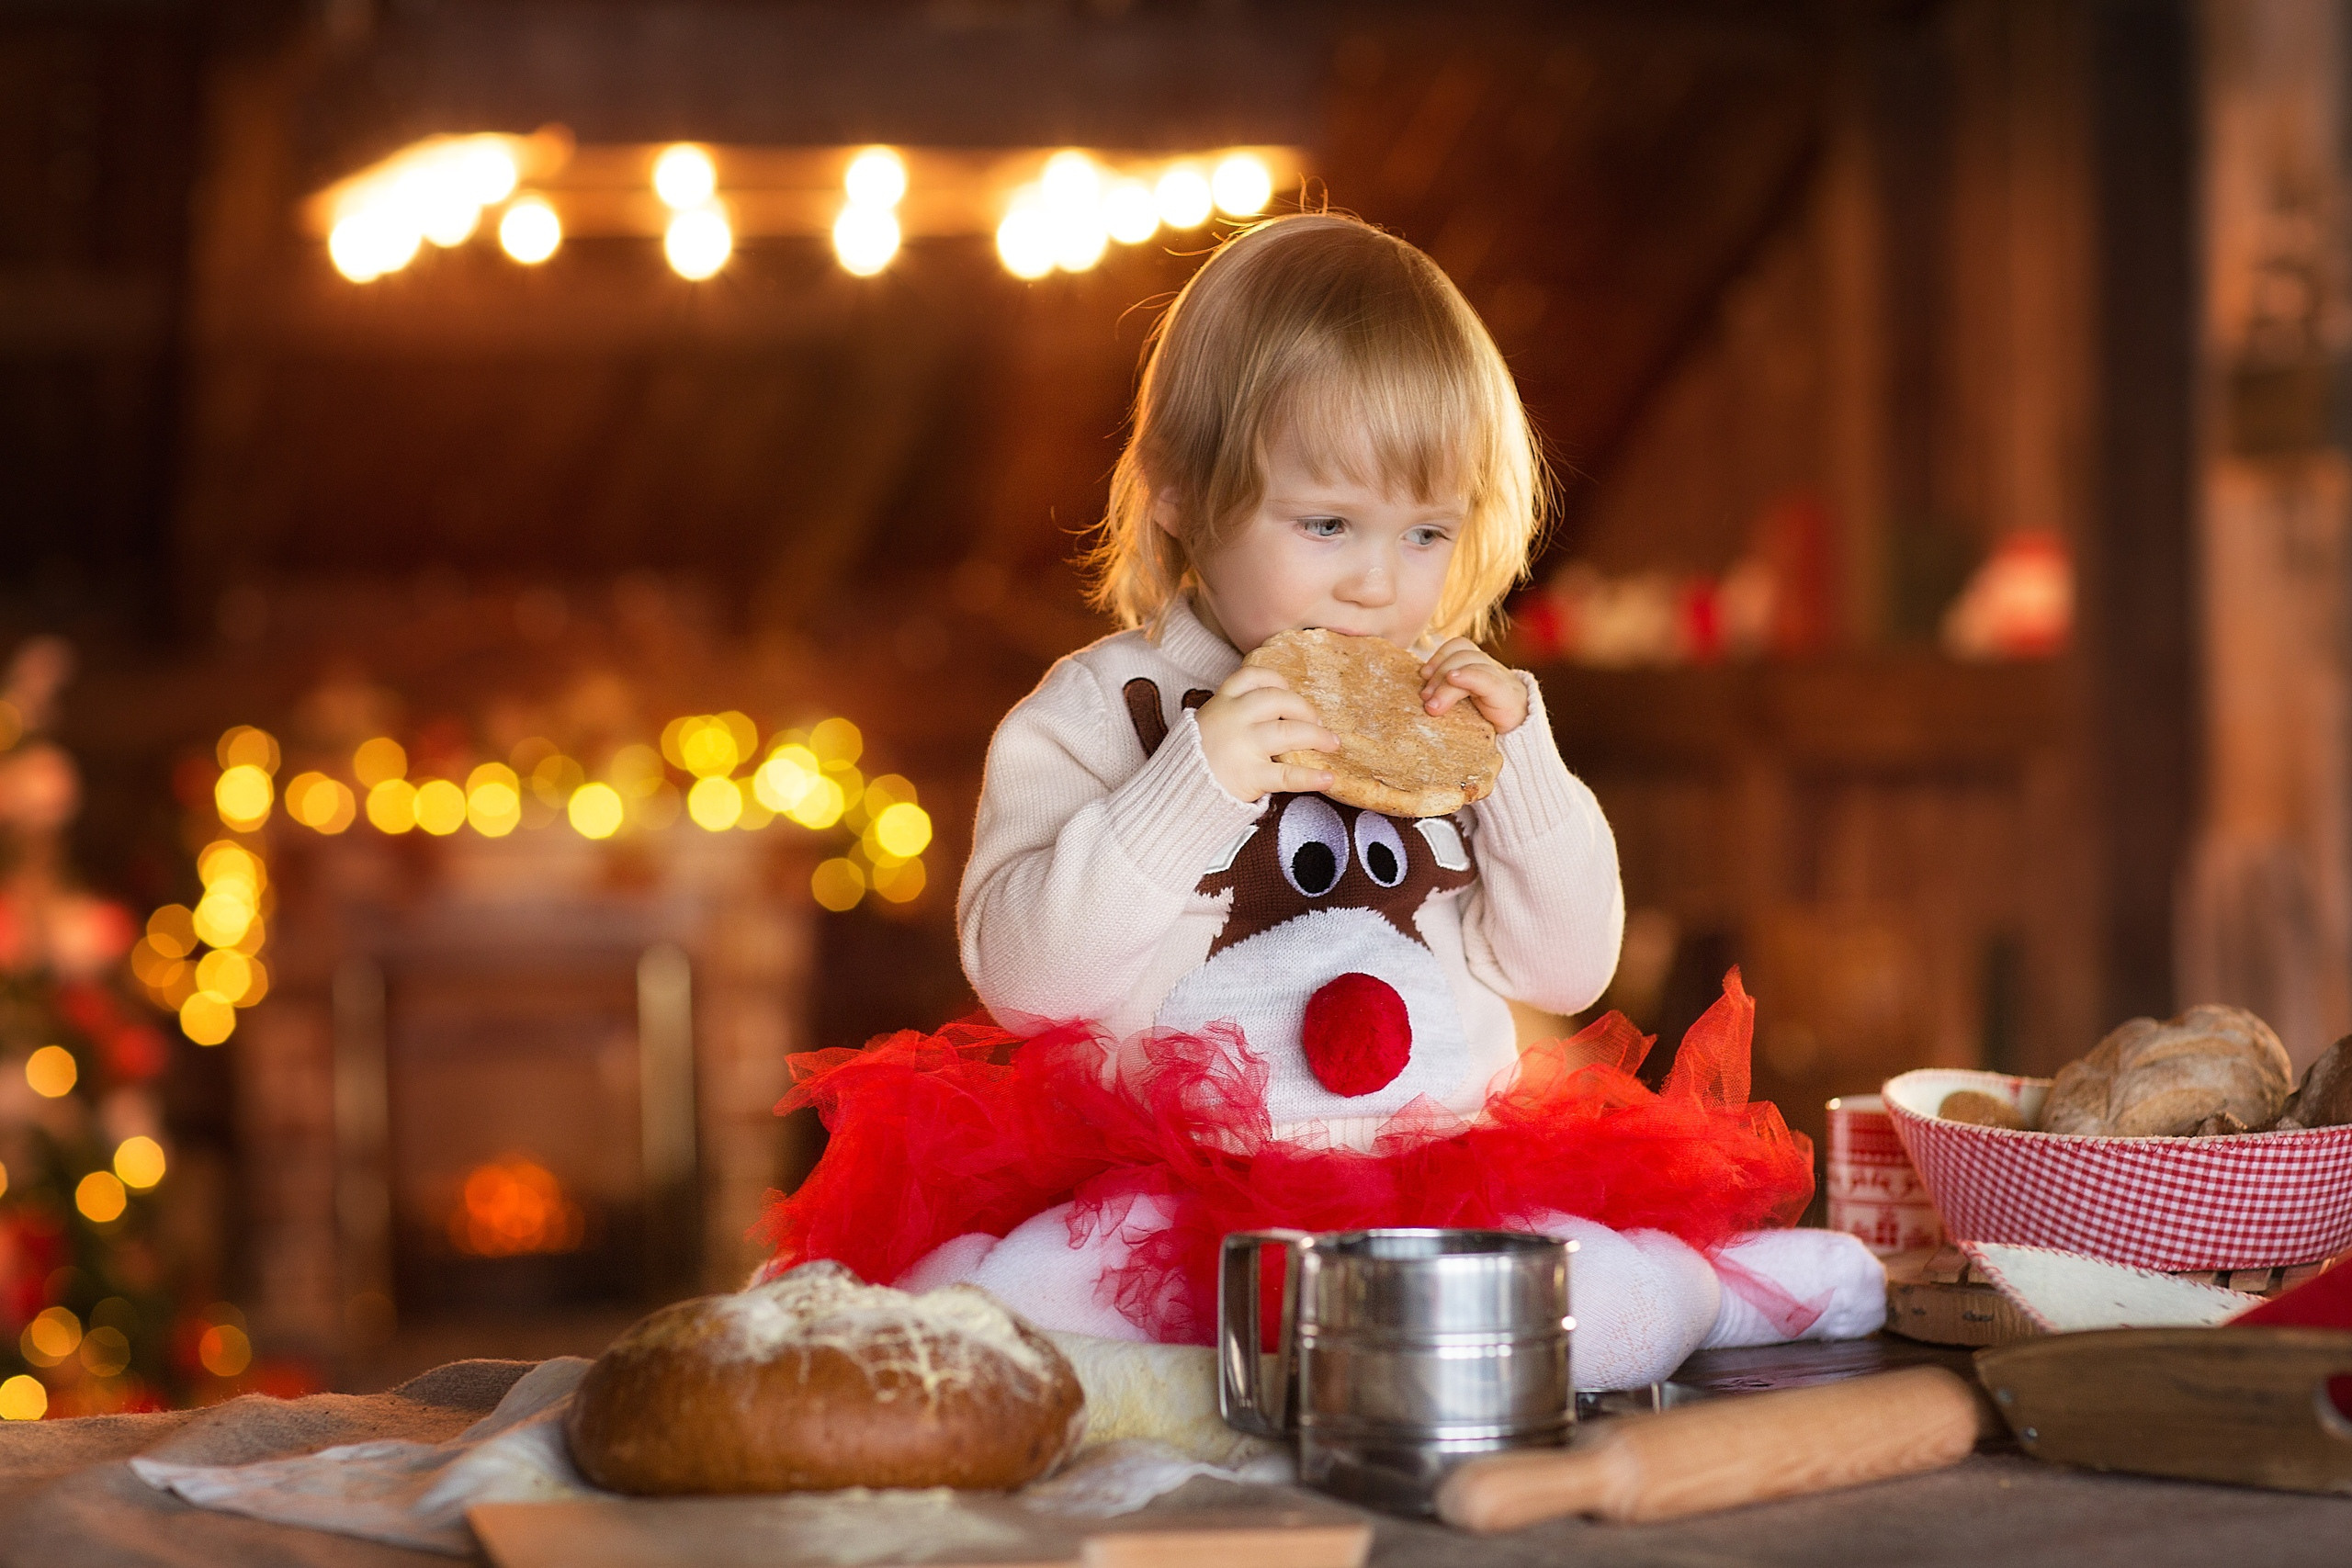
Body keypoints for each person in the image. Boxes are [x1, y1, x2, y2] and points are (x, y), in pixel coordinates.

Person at [761, 214, 1882, 1388]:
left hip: (1435, 1188)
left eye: (1426, 534)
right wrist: (1197, 783)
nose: (1376, 583)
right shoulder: (1101, 708)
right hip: (1172, 1202)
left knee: (1591, 1305)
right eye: (1328, 525)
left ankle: (1719, 1290)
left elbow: (1568, 970)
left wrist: (1523, 767)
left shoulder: (1455, 715)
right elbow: (1028, 980)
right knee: (1002, 1315)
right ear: (1180, 492)